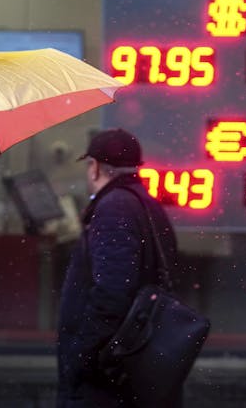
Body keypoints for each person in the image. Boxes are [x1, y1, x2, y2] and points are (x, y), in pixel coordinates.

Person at [56, 128, 181, 407]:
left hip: (108, 376)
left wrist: (81, 355)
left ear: (94, 167)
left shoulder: (114, 207)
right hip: (135, 366)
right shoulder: (144, 202)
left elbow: (112, 292)